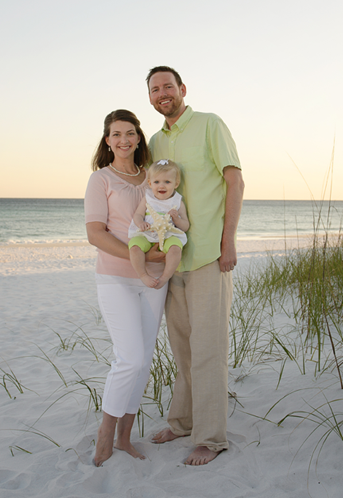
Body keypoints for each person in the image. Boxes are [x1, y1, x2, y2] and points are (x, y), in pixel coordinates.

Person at [145, 66, 244, 466]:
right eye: (155, 89)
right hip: (173, 260)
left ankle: (210, 438)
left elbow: (234, 181)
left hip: (207, 256)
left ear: (182, 89)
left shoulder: (209, 124)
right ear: (150, 98)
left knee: (208, 350)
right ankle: (182, 421)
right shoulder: (154, 140)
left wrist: (228, 241)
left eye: (168, 86)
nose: (162, 93)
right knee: (182, 349)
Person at [84, 109, 168, 467]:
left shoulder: (153, 177)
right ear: (107, 140)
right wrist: (138, 258)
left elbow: (170, 216)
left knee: (143, 361)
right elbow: (95, 233)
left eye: (130, 133)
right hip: (116, 277)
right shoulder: (99, 180)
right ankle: (104, 435)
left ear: (138, 138)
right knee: (128, 358)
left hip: (155, 279)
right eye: (116, 134)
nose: (123, 140)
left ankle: (124, 438)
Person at [128, 159, 190, 289]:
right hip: (147, 234)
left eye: (167, 182)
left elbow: (185, 226)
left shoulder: (178, 202)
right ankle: (143, 275)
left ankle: (164, 277)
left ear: (176, 183)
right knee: (134, 248)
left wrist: (177, 219)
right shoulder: (148, 199)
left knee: (175, 249)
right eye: (156, 182)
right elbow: (138, 215)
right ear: (150, 183)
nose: (161, 186)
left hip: (169, 235)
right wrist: (141, 223)